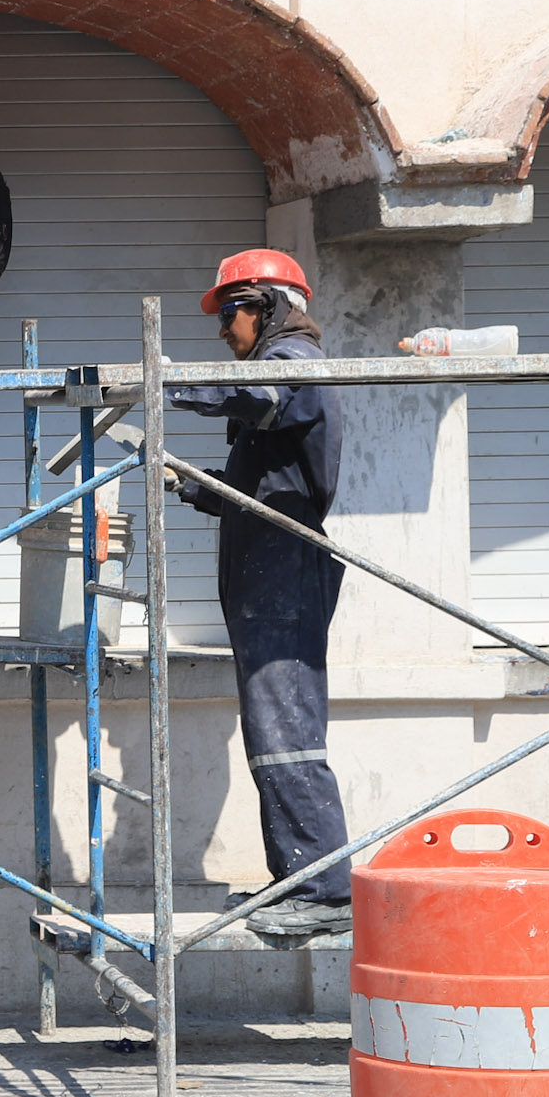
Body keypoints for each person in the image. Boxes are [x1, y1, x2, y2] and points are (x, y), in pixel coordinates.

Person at [165, 248, 353, 940]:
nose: (222, 332)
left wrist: (164, 386)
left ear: (264, 304)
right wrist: (200, 485)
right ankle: (302, 878)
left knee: (286, 731)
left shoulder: (291, 360)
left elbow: (258, 397)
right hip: (267, 562)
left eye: (229, 314)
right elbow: (266, 491)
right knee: (273, 732)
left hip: (281, 568)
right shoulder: (282, 371)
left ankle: (328, 890)